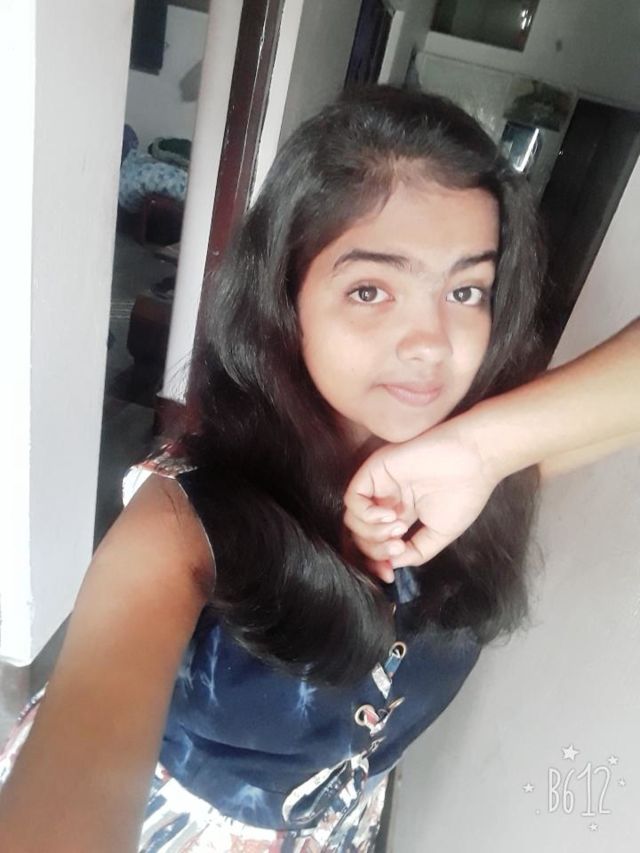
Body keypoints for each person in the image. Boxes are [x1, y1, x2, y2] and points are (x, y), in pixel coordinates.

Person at [0, 85, 638, 852]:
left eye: (466, 290)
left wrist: (483, 448)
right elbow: (75, 781)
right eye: (371, 289)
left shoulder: (478, 474)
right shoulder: (180, 522)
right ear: (286, 298)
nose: (432, 342)